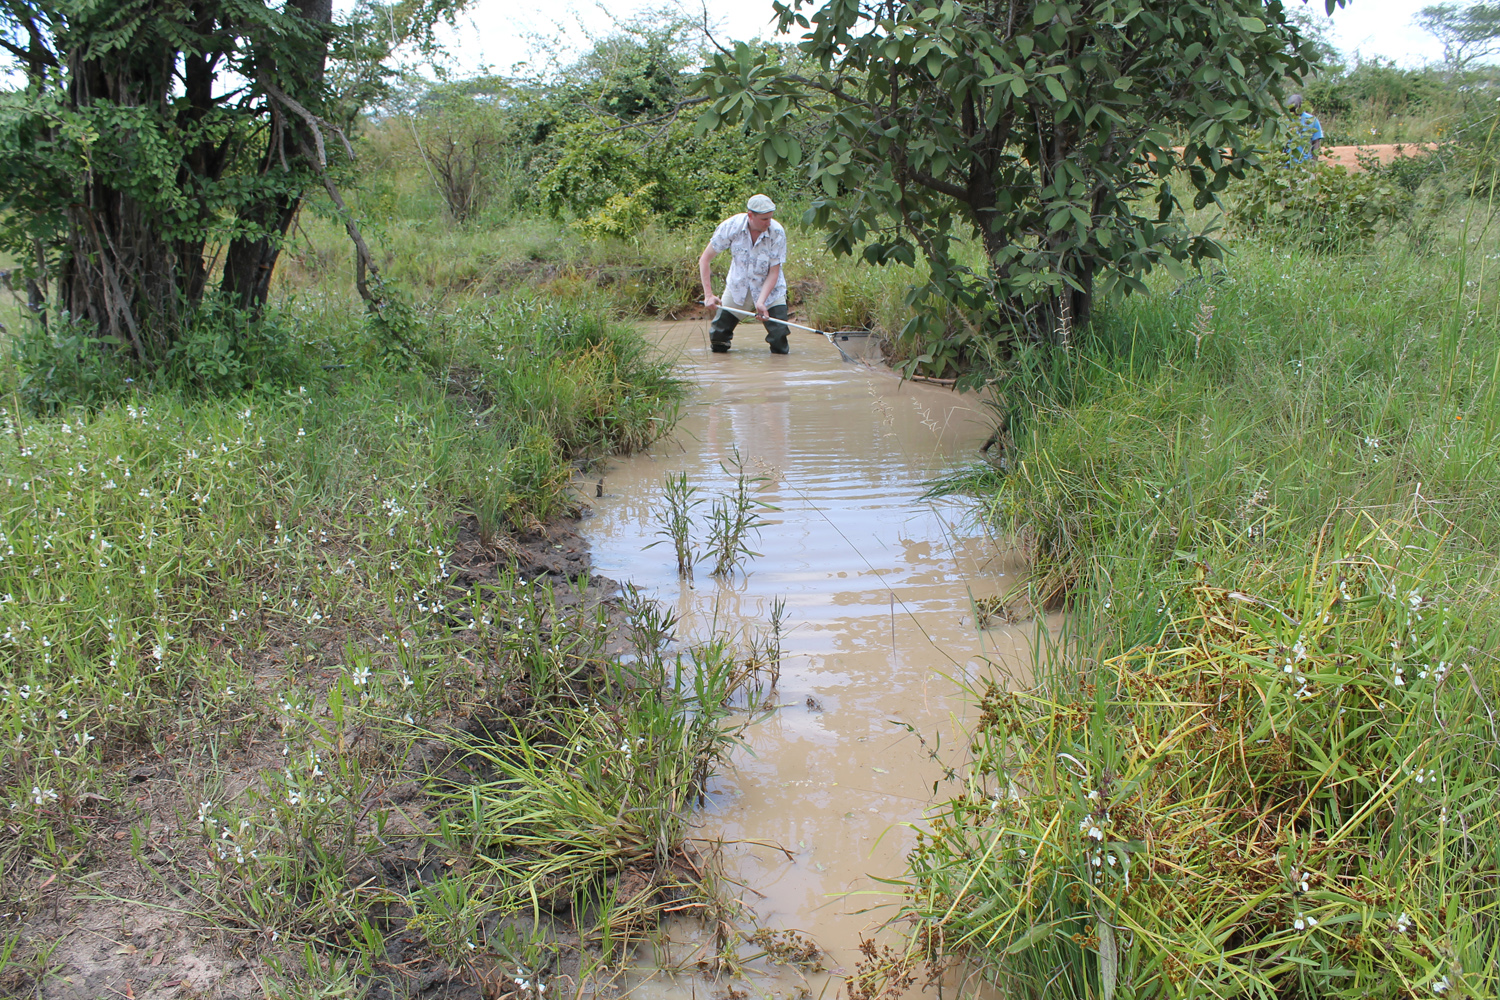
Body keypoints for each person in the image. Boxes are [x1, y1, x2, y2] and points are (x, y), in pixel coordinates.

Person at [699, 194, 791, 354]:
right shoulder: (731, 227)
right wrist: (708, 295)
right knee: (718, 336)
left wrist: (761, 303)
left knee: (779, 336)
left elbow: (774, 272)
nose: (769, 222)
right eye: (764, 219)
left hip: (770, 291)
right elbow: (705, 259)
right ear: (750, 215)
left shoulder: (777, 232)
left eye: (770, 218)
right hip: (738, 288)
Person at [1287, 94, 1323, 163]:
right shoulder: (1285, 121)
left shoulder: (1312, 120)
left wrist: (1314, 163)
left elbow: (1316, 143)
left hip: (1304, 164)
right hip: (1287, 164)